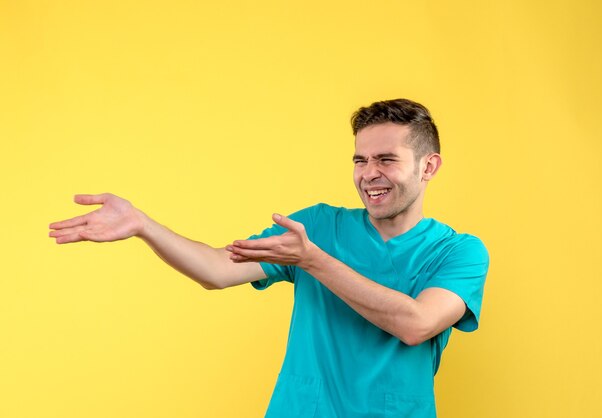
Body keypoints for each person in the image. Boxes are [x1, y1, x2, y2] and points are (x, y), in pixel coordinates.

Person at [49, 98, 489, 417]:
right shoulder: (317, 226)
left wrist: (312, 261)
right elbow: (218, 270)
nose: (369, 173)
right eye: (360, 160)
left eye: (386, 159)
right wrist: (144, 225)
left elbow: (415, 324)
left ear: (428, 167)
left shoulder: (459, 251)